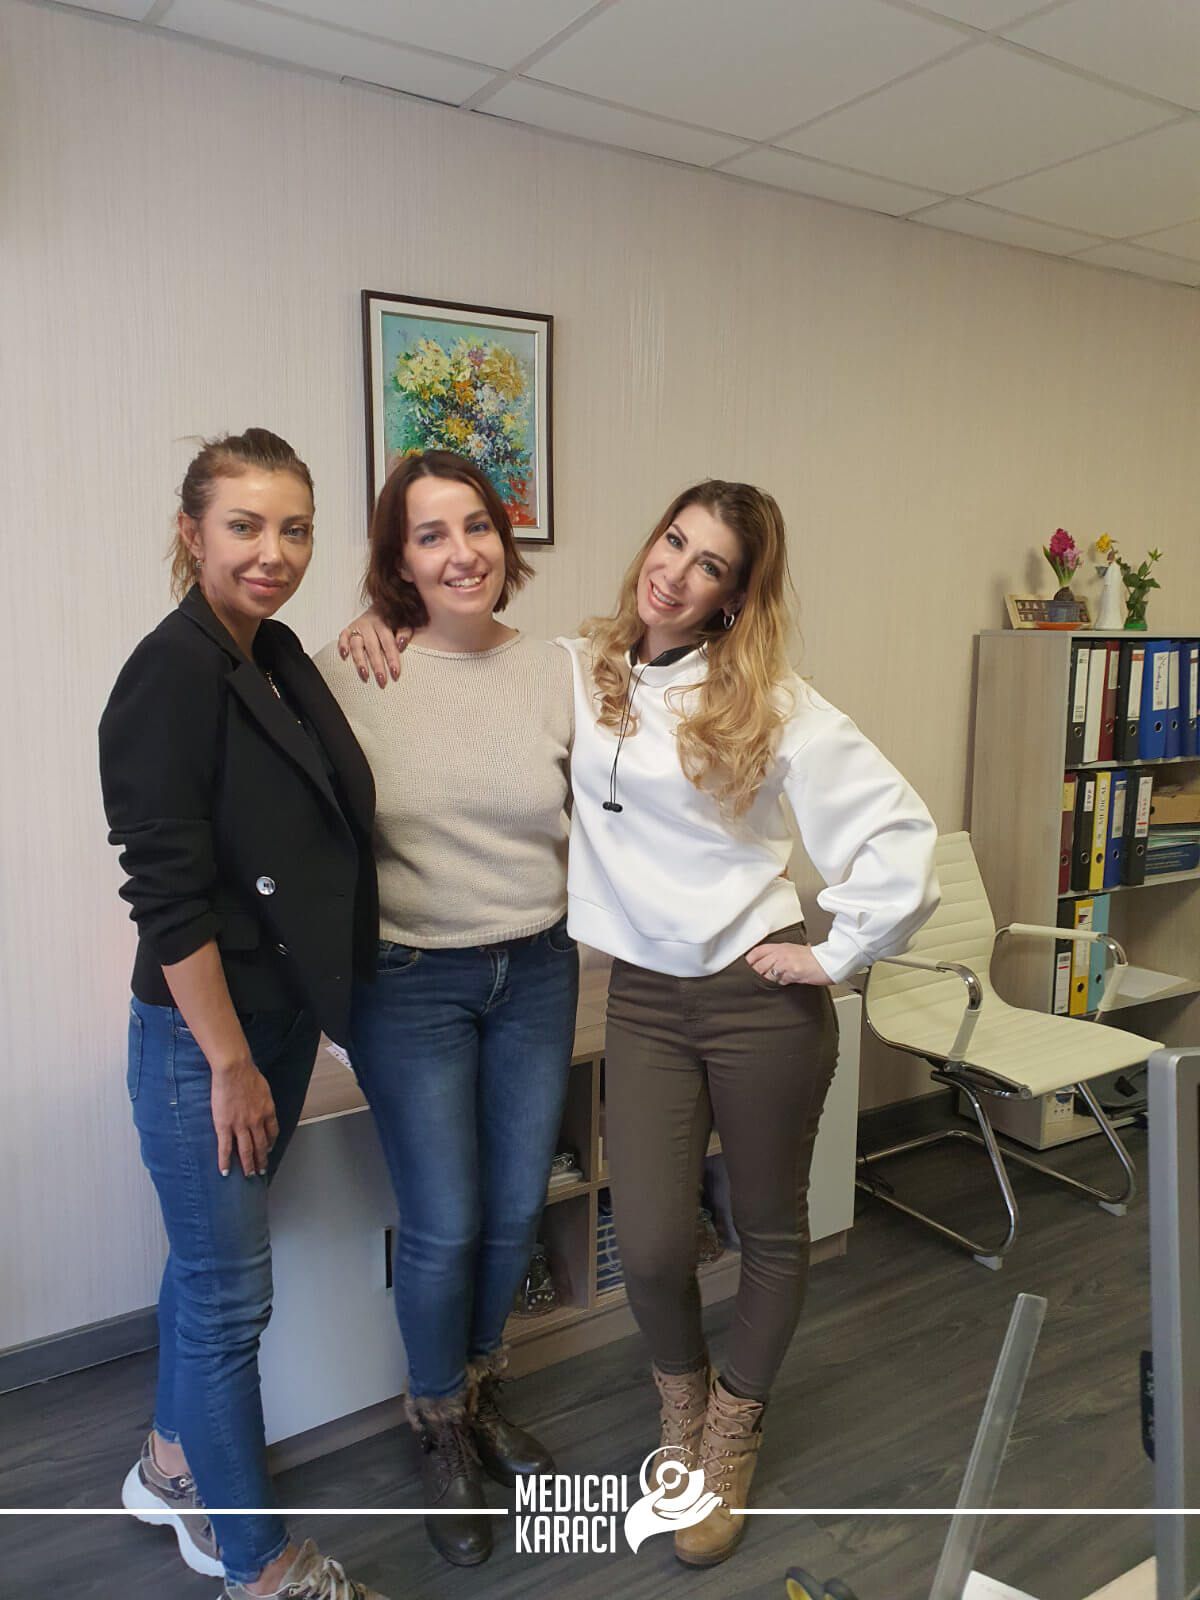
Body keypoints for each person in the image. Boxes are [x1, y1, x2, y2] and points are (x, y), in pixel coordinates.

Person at [344, 476, 938, 1570]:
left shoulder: (771, 699)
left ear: (734, 595)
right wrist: (379, 621)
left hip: (760, 999)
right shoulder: (586, 669)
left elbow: (901, 835)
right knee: (655, 1248)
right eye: (674, 541)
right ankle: (682, 1406)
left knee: (767, 1227)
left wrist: (835, 952)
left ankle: (731, 1430)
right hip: (647, 1000)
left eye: (710, 564)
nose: (676, 571)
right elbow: (470, 656)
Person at [99, 429, 386, 1600]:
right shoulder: (169, 673)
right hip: (202, 1041)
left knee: (206, 1268)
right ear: (192, 532)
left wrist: (383, 628)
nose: (274, 551)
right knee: (230, 1300)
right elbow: (167, 897)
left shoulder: (270, 654)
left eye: (296, 528)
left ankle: (172, 1466)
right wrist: (228, 1062)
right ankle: (260, 1565)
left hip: (271, 1021)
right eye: (245, 526)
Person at [315, 450, 576, 1569]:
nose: (461, 552)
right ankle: (439, 1428)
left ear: (503, 541)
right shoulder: (351, 669)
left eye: (476, 525)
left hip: (540, 968)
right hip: (410, 980)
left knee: (516, 1209)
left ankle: (476, 1391)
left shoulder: (560, 670)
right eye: (430, 534)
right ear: (399, 558)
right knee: (446, 1219)